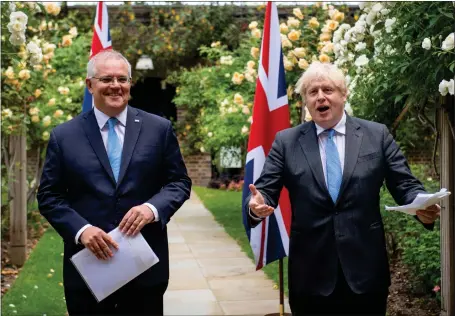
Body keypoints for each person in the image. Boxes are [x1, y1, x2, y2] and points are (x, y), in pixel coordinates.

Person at [245, 62, 440, 315]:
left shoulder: (376, 135)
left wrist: (420, 204)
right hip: (310, 275)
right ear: (305, 101)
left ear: (344, 94)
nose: (320, 97)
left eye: (328, 89)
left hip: (366, 274)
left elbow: (404, 184)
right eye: (312, 92)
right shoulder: (287, 142)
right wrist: (256, 206)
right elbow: (265, 189)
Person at [37, 50, 192, 315]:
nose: (115, 86)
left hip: (145, 269)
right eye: (106, 79)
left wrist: (151, 209)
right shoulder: (64, 136)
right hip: (88, 271)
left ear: (130, 83)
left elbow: (179, 182)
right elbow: (49, 196)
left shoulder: (159, 129)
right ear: (90, 84)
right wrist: (81, 230)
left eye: (122, 79)